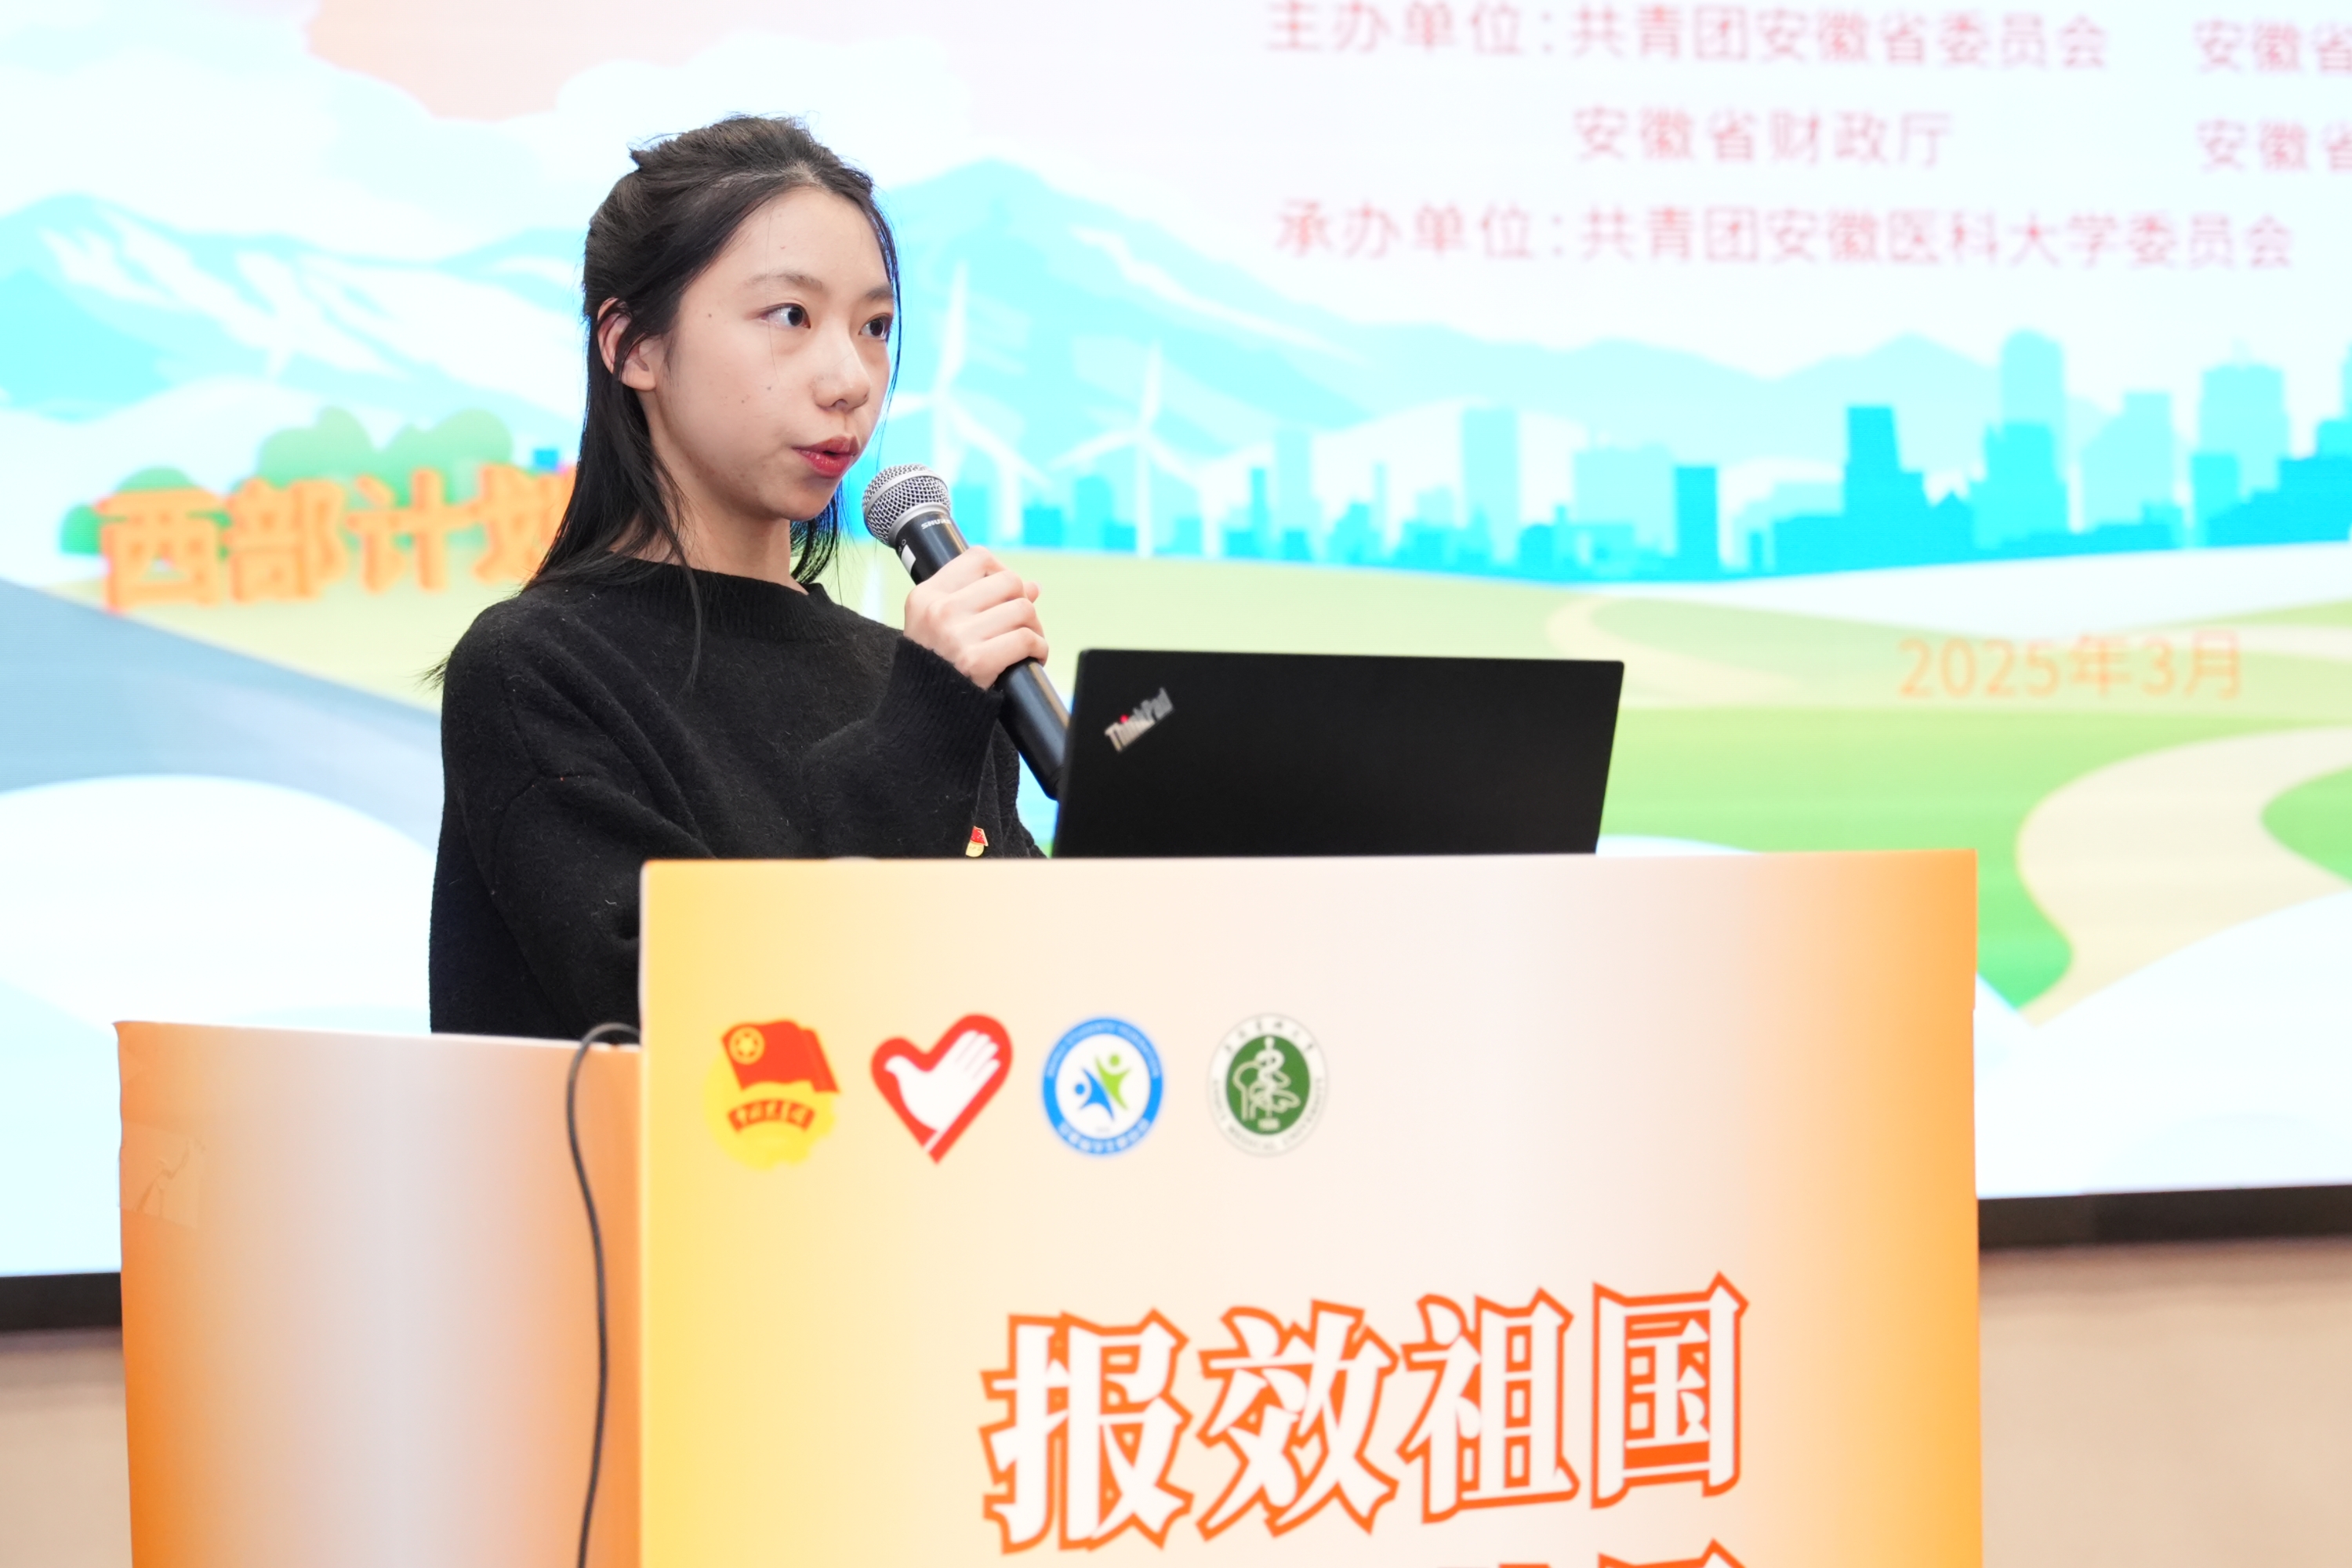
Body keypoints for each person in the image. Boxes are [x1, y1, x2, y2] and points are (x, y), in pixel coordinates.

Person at [430, 116, 1048, 1040]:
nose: (850, 379)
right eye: (790, 316)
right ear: (633, 346)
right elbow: (705, 1024)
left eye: (875, 326)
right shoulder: (536, 668)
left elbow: (1030, 997)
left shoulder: (915, 679)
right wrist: (924, 725)